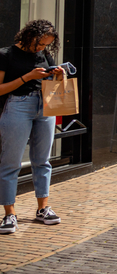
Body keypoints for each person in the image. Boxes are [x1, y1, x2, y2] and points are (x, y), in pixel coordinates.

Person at [0, 20, 65, 234]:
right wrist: (27, 77)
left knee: (42, 161)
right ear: (29, 36)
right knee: (11, 162)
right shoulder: (6, 54)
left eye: (46, 45)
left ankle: (43, 209)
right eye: (39, 44)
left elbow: (54, 84)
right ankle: (9, 213)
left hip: (44, 105)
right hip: (18, 105)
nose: (41, 49)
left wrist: (58, 76)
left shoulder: (44, 55)